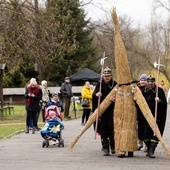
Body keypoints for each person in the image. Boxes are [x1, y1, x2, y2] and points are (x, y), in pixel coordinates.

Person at [140, 76, 167, 158]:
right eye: (149, 84)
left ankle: (151, 150)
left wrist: (159, 100)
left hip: (157, 115)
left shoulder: (159, 91)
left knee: (154, 133)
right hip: (145, 116)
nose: (150, 85)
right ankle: (148, 147)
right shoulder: (143, 91)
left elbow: (164, 103)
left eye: (152, 84)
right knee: (144, 133)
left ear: (154, 83)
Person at [92, 66, 117, 156]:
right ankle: (105, 147)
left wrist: (116, 98)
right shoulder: (99, 84)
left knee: (112, 128)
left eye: (108, 76)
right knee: (103, 129)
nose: (107, 78)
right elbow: (94, 94)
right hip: (102, 111)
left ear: (111, 76)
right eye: (105, 76)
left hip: (112, 110)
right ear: (103, 76)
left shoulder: (115, 84)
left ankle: (113, 146)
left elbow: (120, 95)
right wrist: (96, 94)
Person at [136, 74, 148, 151]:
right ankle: (140, 142)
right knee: (139, 127)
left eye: (144, 80)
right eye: (141, 80)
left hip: (146, 111)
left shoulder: (148, 88)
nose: (142, 81)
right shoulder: (136, 88)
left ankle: (147, 144)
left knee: (146, 127)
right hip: (138, 110)